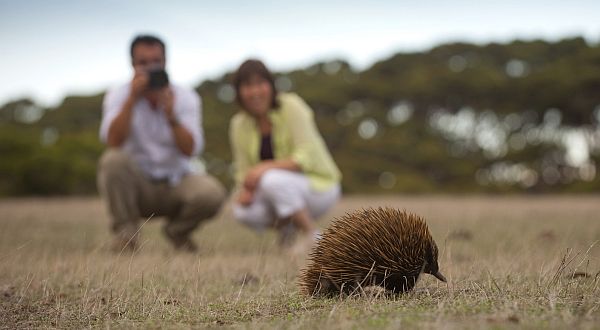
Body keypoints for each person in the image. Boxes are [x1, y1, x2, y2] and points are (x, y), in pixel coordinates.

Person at [97, 35, 226, 253]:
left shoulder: (185, 97)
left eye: (156, 61)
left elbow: (191, 150)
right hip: (138, 185)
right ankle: (126, 237)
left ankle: (177, 232)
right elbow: (113, 141)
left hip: (176, 181)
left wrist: (172, 116)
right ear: (132, 65)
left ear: (166, 62)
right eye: (143, 63)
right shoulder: (118, 95)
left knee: (211, 193)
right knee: (112, 161)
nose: (150, 68)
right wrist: (131, 100)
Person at [229, 59, 342, 252]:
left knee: (271, 179)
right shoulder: (238, 124)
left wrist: (263, 168)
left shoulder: (291, 105)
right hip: (282, 191)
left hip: (318, 186)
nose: (255, 92)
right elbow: (242, 172)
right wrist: (243, 190)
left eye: (260, 83)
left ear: (271, 86)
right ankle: (288, 230)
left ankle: (314, 237)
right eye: (247, 85)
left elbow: (305, 155)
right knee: (242, 211)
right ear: (239, 92)